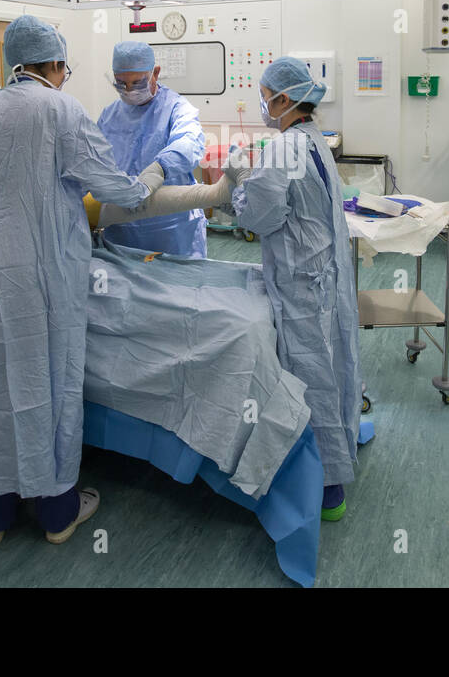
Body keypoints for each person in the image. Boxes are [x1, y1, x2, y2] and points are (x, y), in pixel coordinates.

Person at [0, 15, 164, 549]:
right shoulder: (63, 109)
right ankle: (56, 513)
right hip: (43, 267)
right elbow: (110, 185)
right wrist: (148, 184)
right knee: (49, 378)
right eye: (64, 67)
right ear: (52, 64)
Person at [223, 57, 361, 521]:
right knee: (334, 358)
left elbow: (260, 216)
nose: (262, 104)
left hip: (302, 281)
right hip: (325, 273)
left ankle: (328, 485)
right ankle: (343, 437)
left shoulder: (282, 149)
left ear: (284, 99)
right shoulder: (315, 139)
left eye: (264, 96)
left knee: (310, 374)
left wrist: (240, 179)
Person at [96, 40, 207, 257]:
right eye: (121, 84)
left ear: (155, 73)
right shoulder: (108, 117)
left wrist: (159, 169)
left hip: (171, 230)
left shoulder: (177, 108)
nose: (129, 91)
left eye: (138, 83)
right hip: (120, 230)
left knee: (177, 287)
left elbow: (189, 143)